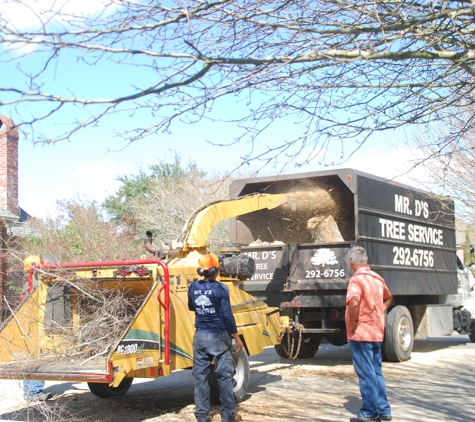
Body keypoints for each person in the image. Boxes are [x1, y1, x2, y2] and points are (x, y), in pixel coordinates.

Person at [188, 253, 243, 422]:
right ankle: (227, 415)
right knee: (224, 377)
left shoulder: (193, 287)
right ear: (216, 269)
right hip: (219, 337)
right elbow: (227, 315)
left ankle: (202, 416)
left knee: (201, 378)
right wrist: (236, 337)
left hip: (201, 337)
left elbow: (192, 307)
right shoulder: (221, 289)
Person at [346, 246, 393, 422]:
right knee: (376, 372)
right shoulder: (377, 279)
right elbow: (388, 297)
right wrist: (380, 311)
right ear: (366, 259)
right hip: (376, 333)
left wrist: (353, 322)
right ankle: (384, 410)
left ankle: (369, 412)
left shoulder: (356, 280)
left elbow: (354, 302)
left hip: (361, 333)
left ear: (351, 261)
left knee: (366, 374)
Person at [22, 256, 53, 402]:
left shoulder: (29, 283)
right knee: (36, 359)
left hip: (29, 326)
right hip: (34, 326)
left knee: (31, 358)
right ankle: (33, 392)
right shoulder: (37, 283)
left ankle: (30, 391)